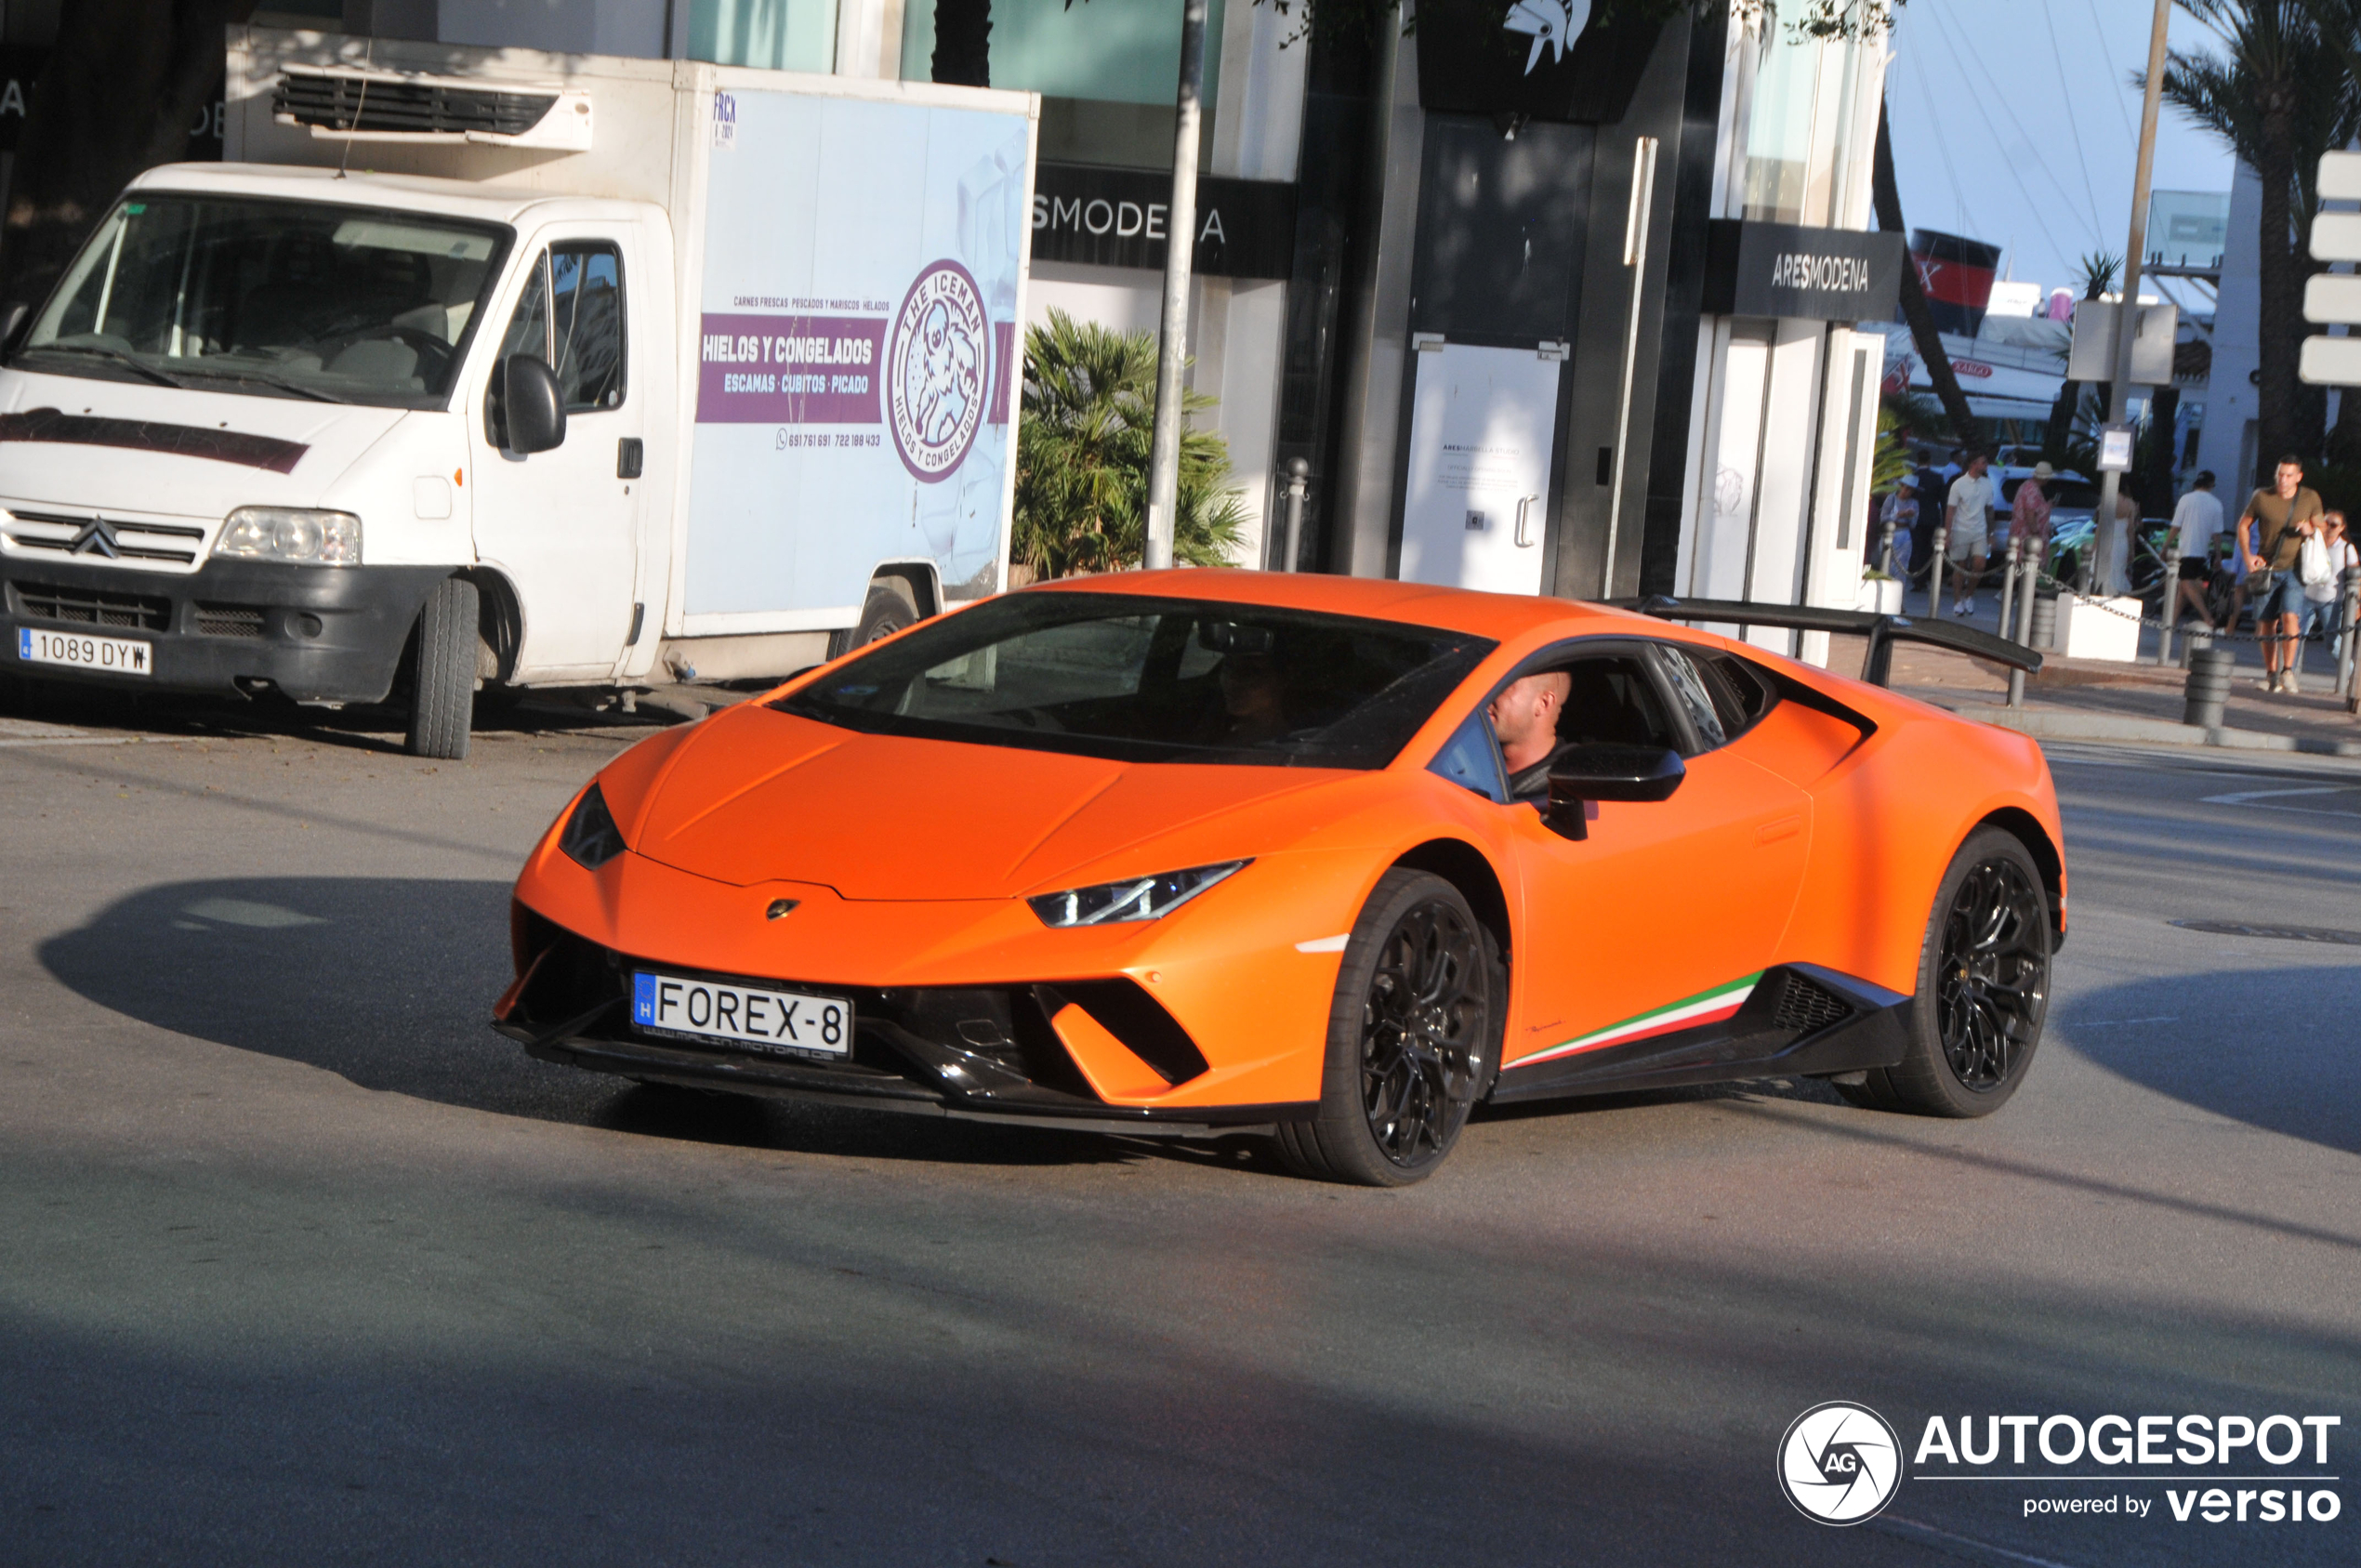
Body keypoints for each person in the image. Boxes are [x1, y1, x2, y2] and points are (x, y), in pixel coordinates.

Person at [2237, 455, 2327, 693]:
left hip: (2295, 569)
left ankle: (2288, 670)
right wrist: (2248, 556)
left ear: (2298, 477)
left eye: (2288, 475)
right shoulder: (2262, 497)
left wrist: (2310, 529)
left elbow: (2323, 527)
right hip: (2266, 568)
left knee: (2291, 616)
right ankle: (2271, 674)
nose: (2283, 480)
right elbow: (2243, 525)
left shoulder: (2309, 498)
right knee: (2266, 623)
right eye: (2280, 474)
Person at [1488, 669, 1572, 798]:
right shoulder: (1463, 757)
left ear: (1543, 703)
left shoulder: (1568, 784)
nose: (1487, 695)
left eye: (1504, 686)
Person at [2298, 510, 2357, 674]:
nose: (2329, 528)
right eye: (2327, 523)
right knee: (2296, 637)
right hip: (2307, 597)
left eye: (2334, 525)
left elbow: (2356, 576)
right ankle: (2289, 675)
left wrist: (2357, 604)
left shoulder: (2346, 548)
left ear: (2342, 528)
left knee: (2332, 643)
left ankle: (2352, 676)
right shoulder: (2315, 541)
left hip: (2332, 601)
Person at [1944, 451, 1997, 616]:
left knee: (1980, 565)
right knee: (1960, 566)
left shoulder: (1987, 484)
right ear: (1972, 464)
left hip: (1979, 530)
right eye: (1982, 462)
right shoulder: (1958, 484)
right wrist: (1947, 533)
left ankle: (1969, 596)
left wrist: (1991, 533)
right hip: (1960, 529)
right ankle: (1957, 601)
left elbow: (1989, 510)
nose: (1985, 465)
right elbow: (1950, 510)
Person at [2170, 470, 2223, 631]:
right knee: (2182, 589)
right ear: (2211, 485)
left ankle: (2207, 617)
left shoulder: (2185, 499)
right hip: (2201, 551)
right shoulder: (2216, 504)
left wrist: (2165, 547)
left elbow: (2175, 526)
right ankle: (2171, 623)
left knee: (2186, 584)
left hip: (2185, 550)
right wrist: (2218, 555)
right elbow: (2217, 534)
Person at [2010, 460, 2054, 568]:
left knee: (2021, 566)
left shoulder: (2027, 486)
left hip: (2021, 534)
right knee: (2025, 565)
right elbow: (2030, 513)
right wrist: (2035, 533)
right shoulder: (2032, 491)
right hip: (2027, 536)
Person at [1880, 478, 1919, 580]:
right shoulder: (1891, 499)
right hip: (1891, 533)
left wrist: (1910, 516)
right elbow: (1883, 518)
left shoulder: (1913, 503)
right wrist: (1898, 514)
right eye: (1906, 488)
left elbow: (1913, 524)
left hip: (1904, 534)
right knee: (1887, 563)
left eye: (1911, 490)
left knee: (1902, 565)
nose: (1907, 492)